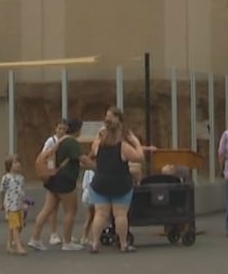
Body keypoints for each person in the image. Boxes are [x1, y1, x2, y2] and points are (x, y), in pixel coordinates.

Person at [87, 107, 146, 254]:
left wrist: (99, 134)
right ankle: (123, 243)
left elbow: (92, 150)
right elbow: (139, 157)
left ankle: (94, 243)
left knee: (100, 213)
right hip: (120, 183)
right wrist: (136, 142)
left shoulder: (97, 144)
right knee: (120, 214)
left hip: (101, 182)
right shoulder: (123, 146)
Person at [29, 117, 85, 251]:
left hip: (53, 178)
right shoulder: (71, 142)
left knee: (47, 209)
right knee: (70, 210)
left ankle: (35, 238)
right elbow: (81, 158)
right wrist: (94, 165)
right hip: (65, 181)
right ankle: (67, 241)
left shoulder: (59, 141)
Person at [39, 120, 68, 246]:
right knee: (52, 207)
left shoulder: (67, 140)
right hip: (52, 174)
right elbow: (43, 155)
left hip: (63, 174)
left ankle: (67, 234)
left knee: (67, 206)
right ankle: (53, 233)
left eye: (64, 129)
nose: (61, 131)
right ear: (56, 129)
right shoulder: (51, 141)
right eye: (59, 128)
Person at [0, 155, 28, 255]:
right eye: (15, 163)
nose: (18, 164)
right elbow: (3, 191)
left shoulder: (21, 178)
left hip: (18, 204)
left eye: (18, 162)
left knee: (18, 226)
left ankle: (9, 244)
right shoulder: (6, 178)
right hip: (10, 205)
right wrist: (2, 203)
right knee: (15, 225)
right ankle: (18, 245)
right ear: (9, 165)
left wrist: (24, 202)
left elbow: (22, 191)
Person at [79, 168, 96, 246]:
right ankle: (94, 238)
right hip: (93, 194)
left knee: (89, 217)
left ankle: (84, 236)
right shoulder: (94, 170)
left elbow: (84, 184)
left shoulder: (87, 171)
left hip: (86, 194)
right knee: (96, 217)